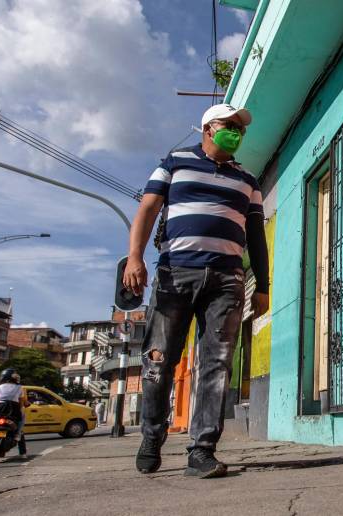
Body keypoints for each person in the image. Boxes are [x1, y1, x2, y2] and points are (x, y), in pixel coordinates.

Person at [123, 104, 270, 479]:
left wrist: (263, 286)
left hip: (226, 281)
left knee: (217, 364)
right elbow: (148, 209)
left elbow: (255, 237)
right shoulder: (174, 162)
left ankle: (202, 450)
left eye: (240, 128)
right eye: (229, 125)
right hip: (176, 275)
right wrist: (134, 258)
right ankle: (152, 436)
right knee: (159, 359)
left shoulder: (248, 180)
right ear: (207, 128)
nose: (236, 132)